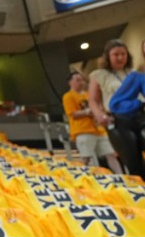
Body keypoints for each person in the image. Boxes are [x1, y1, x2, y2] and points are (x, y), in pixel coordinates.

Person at [88, 39, 140, 176]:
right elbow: (93, 100)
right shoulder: (98, 75)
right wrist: (99, 115)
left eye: (123, 54)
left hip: (139, 115)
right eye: (116, 54)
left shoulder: (133, 73)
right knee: (132, 158)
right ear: (108, 56)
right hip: (118, 120)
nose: (120, 57)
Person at [62, 71, 122, 173]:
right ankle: (78, 176)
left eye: (81, 80)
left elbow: (99, 108)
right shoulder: (68, 96)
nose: (81, 82)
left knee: (111, 154)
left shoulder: (89, 95)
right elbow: (73, 114)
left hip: (98, 130)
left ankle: (121, 176)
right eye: (77, 80)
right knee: (86, 157)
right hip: (83, 130)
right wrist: (88, 111)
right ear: (70, 82)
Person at [105, 40, 145, 178]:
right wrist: (140, 103)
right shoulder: (138, 77)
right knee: (136, 167)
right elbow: (116, 103)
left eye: (123, 54)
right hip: (130, 123)